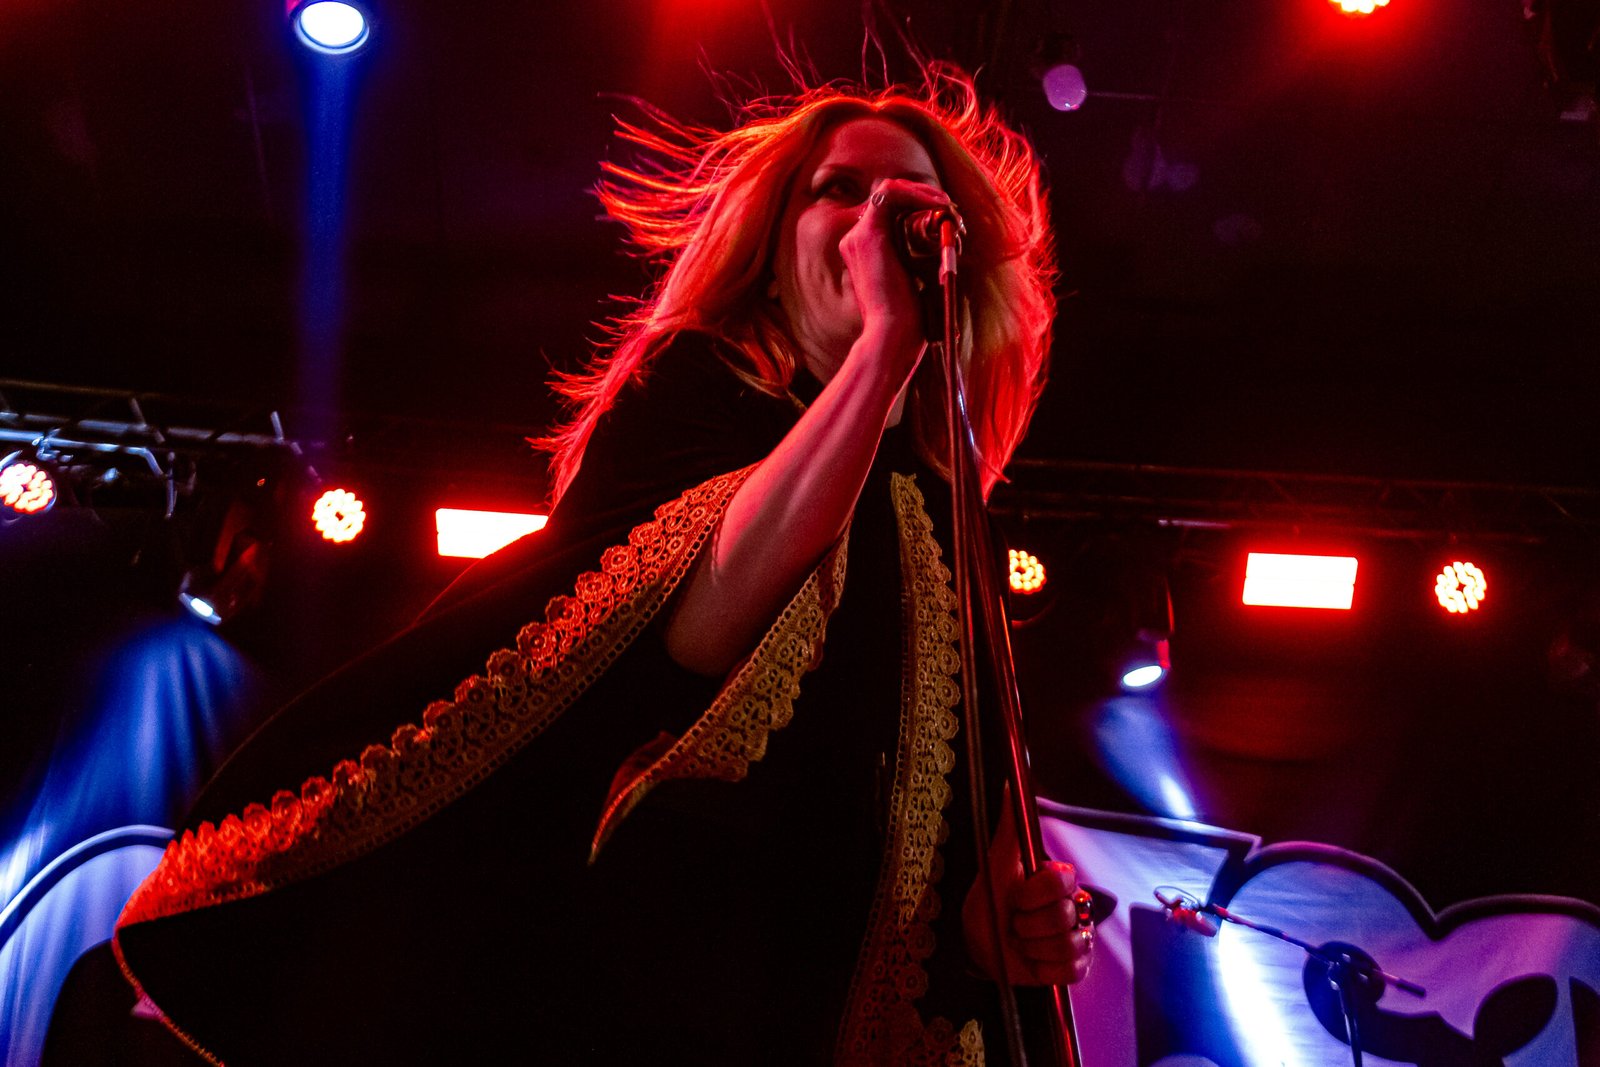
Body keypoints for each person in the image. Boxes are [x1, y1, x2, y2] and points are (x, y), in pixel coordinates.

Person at [110, 64, 1091, 1064]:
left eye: (910, 201)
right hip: (673, 982)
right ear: (772, 253)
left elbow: (968, 802)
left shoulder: (941, 494)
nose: (878, 218)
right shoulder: (692, 386)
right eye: (840, 189)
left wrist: (1005, 926)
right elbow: (695, 627)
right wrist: (883, 352)